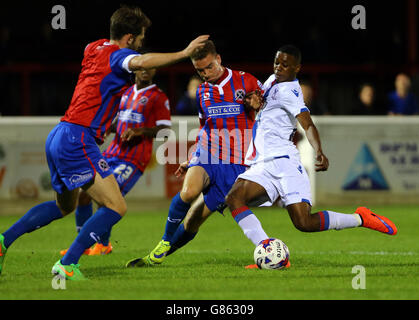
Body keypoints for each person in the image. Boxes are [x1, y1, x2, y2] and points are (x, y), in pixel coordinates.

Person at [0, 5, 209, 280]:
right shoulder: (120, 56)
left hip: (59, 133)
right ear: (131, 38)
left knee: (65, 206)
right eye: (141, 38)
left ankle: (4, 241)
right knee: (116, 206)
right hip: (78, 138)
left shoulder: (93, 47)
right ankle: (67, 264)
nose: (141, 44)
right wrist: (184, 53)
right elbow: (140, 62)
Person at [223, 45, 397, 268]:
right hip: (263, 164)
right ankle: (269, 251)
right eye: (277, 62)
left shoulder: (291, 92)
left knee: (304, 223)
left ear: (297, 67)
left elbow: (308, 124)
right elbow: (265, 112)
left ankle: (360, 218)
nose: (279, 67)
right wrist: (254, 105)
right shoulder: (271, 81)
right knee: (234, 198)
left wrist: (319, 151)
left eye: (285, 64)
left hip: (285, 163)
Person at [126, 39, 262, 267]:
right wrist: (191, 157)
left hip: (236, 163)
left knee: (192, 222)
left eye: (209, 67)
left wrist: (259, 104)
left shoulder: (245, 80)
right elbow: (204, 127)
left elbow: (268, 105)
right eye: (199, 70)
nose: (205, 73)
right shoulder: (201, 92)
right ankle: (163, 243)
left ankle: (155, 259)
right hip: (207, 153)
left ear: (218, 59)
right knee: (188, 192)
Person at [59, 67, 171, 256]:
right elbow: (119, 119)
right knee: (84, 195)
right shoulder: (126, 93)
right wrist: (107, 128)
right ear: (135, 69)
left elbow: (165, 131)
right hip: (111, 154)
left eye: (150, 68)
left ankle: (103, 245)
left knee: (108, 199)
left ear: (155, 71)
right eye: (142, 67)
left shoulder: (158, 97)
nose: (145, 71)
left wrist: (140, 131)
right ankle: (84, 245)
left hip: (133, 159)